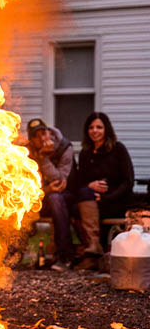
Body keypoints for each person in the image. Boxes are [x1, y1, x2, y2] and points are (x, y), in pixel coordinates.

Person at [74, 112, 134, 268]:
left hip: (115, 200)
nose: (95, 131)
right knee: (75, 204)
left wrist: (108, 197)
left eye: (99, 127)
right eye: (91, 127)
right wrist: (90, 185)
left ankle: (94, 251)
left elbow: (128, 182)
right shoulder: (85, 153)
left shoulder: (118, 149)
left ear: (106, 129)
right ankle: (92, 249)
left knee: (83, 203)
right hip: (91, 201)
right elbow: (79, 181)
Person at [24, 118, 75, 270]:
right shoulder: (25, 152)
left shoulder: (64, 147)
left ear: (49, 132)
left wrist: (44, 158)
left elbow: (59, 182)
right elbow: (24, 186)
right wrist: (46, 190)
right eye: (36, 136)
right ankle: (16, 252)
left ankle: (65, 256)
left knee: (55, 199)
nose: (42, 138)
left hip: (66, 196)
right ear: (31, 140)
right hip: (40, 195)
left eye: (43, 133)